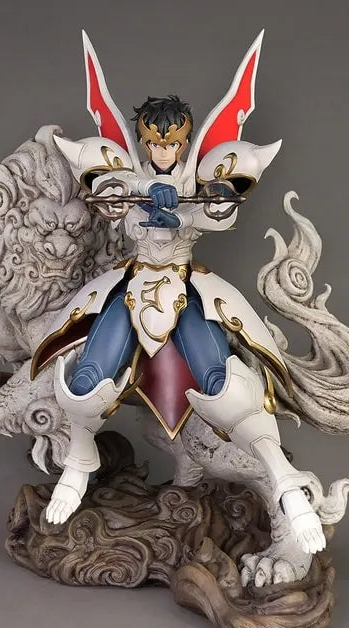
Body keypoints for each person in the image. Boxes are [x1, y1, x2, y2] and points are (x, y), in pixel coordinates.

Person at [30, 30, 326, 556]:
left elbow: (221, 212)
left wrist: (198, 206)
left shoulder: (199, 174)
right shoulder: (127, 171)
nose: (164, 151)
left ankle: (284, 483)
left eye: (172, 144)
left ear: (185, 142)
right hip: (133, 284)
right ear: (143, 141)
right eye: (154, 143)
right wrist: (138, 195)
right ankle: (79, 459)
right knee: (85, 377)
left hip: (187, 288)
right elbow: (110, 202)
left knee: (221, 382)